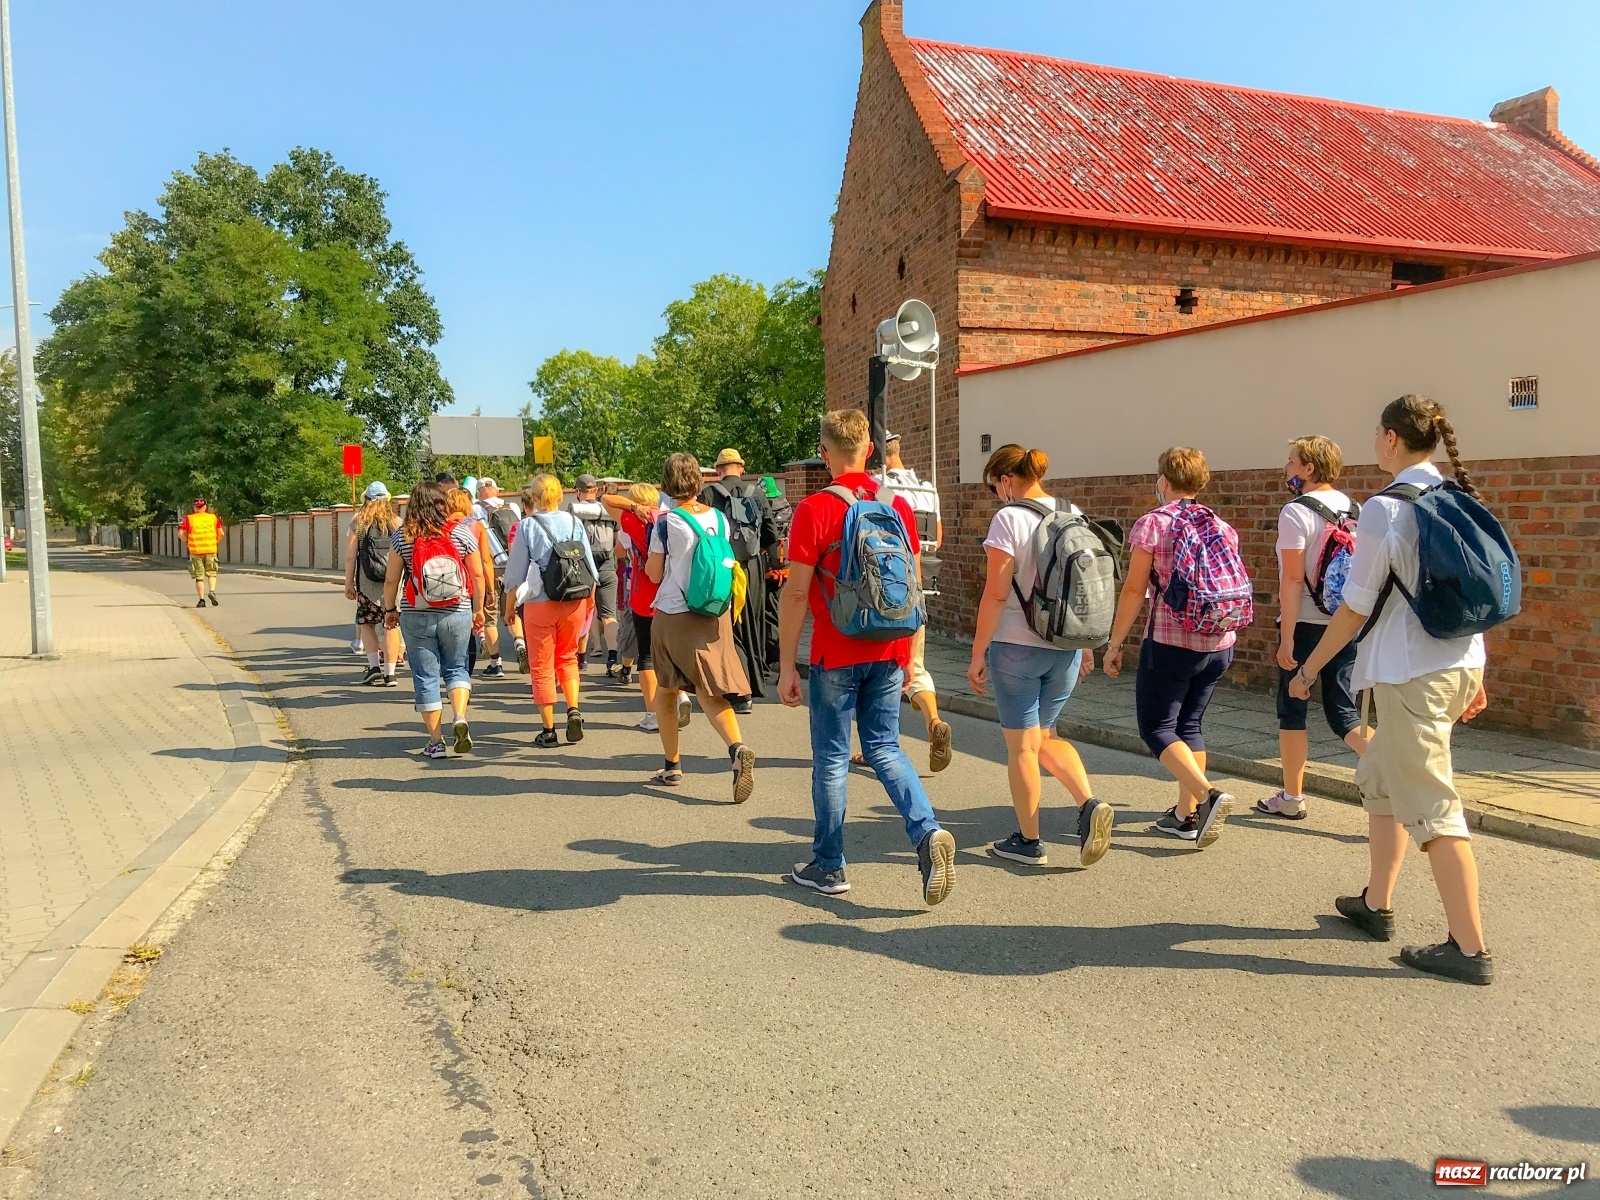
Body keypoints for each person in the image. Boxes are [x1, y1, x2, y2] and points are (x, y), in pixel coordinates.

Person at [1290, 395, 1494, 985]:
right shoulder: (1456, 496)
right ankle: (1376, 904)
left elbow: (1355, 605)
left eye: (1377, 433)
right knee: (1379, 779)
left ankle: (1469, 947)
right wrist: (1477, 669)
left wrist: (1308, 671)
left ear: (1391, 439)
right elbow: (1474, 596)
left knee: (1433, 805)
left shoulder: (1386, 508)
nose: (1374, 442)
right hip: (1452, 663)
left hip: (1411, 673)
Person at [778, 409, 956, 905]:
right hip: (890, 644)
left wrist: (788, 663)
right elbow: (915, 584)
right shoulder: (894, 505)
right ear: (870, 451)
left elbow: (795, 595)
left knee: (832, 757)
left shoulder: (814, 509)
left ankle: (829, 866)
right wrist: (911, 656)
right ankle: (927, 833)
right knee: (885, 747)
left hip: (837, 649)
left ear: (825, 451)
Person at [967, 444, 1112, 868]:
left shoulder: (1009, 518)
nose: (997, 495)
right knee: (1044, 736)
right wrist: (1085, 643)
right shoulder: (1073, 512)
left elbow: (996, 594)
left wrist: (978, 653)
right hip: (1064, 647)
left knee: (1023, 749)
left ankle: (1029, 842)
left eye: (996, 486)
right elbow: (1085, 588)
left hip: (1016, 648)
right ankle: (1088, 803)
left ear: (1007, 481)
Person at [1102, 447, 1240, 849]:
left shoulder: (1153, 524)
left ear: (1163, 480)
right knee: (1189, 727)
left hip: (1171, 641)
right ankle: (1185, 817)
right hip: (1219, 641)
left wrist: (1115, 643)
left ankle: (1207, 796)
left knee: (1157, 728)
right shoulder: (1221, 525)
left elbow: (1134, 588)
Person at [1260, 436, 1370, 819]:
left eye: (1291, 462)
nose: (1286, 469)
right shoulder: (1357, 509)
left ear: (1308, 469)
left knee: (1292, 710)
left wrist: (1286, 637)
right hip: (1347, 621)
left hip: (1306, 622)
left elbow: (1292, 581)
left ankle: (1292, 798)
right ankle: (1392, 768)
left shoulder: (1295, 512)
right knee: (1343, 711)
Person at [645, 453, 756, 802]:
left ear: (666, 483)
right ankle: (730, 750)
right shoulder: (720, 519)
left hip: (674, 615)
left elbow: (653, 572)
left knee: (666, 689)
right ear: (698, 480)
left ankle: (676, 764)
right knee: (709, 689)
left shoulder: (665, 523)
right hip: (714, 613)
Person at [381, 481, 484, 759]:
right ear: (443, 504)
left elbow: (391, 579)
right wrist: (479, 609)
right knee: (457, 668)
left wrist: (389, 610)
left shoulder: (402, 536)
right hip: (457, 611)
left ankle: (436, 742)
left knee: (426, 677)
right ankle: (460, 716)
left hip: (416, 613)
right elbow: (477, 575)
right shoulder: (461, 532)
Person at [875, 431, 953, 772]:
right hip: (918, 588)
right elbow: (935, 538)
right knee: (915, 665)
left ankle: (877, 745)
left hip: (882, 589)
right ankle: (934, 722)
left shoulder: (880, 488)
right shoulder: (927, 488)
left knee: (882, 667)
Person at [502, 473, 597, 748]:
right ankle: (573, 708)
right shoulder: (574, 522)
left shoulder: (528, 526)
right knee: (567, 657)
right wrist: (589, 601)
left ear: (534, 497)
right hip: (574, 600)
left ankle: (549, 729)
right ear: (559, 496)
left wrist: (510, 608)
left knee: (541, 666)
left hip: (540, 602)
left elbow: (515, 574)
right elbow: (589, 565)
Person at [699, 449, 776, 711]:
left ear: (718, 469)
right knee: (752, 624)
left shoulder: (709, 494)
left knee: (728, 627)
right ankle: (755, 682)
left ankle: (736, 690)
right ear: (741, 468)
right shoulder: (758, 493)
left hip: (722, 567)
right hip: (752, 567)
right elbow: (770, 535)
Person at [612, 482, 665, 732]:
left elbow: (606, 500)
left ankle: (653, 714)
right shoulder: (667, 518)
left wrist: (632, 506)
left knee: (646, 655)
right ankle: (680, 699)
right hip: (670, 592)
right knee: (668, 652)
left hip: (643, 592)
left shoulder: (630, 521)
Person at [344, 481, 402, 686]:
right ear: (387, 499)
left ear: (367, 499)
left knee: (367, 623)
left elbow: (351, 556)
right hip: (392, 585)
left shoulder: (359, 523)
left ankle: (374, 667)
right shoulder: (396, 522)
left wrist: (348, 583)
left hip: (367, 584)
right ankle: (391, 673)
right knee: (391, 625)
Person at [564, 474, 621, 675]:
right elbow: (618, 542)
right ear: (596, 490)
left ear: (578, 491)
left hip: (584, 569)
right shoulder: (608, 511)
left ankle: (580, 659)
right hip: (607, 566)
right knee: (609, 615)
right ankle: (613, 657)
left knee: (582, 614)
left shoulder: (573, 511)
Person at [447, 487, 505, 678]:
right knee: (475, 624)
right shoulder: (477, 525)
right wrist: (490, 590)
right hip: (474, 580)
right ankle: (466, 676)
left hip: (450, 583)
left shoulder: (442, 525)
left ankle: (453, 671)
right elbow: (486, 560)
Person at [759, 475, 792, 673]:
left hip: (767, 567)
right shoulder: (785, 506)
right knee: (781, 611)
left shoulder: (762, 506)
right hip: (785, 565)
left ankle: (771, 655)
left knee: (768, 613)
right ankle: (782, 653)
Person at [177, 497, 222, 608]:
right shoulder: (213, 518)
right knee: (212, 573)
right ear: (205, 507)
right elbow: (221, 533)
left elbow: (180, 533)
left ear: (194, 507)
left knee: (199, 577)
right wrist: (214, 542)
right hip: (211, 550)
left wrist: (187, 541)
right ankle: (212, 591)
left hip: (196, 551)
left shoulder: (189, 518)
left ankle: (201, 600)